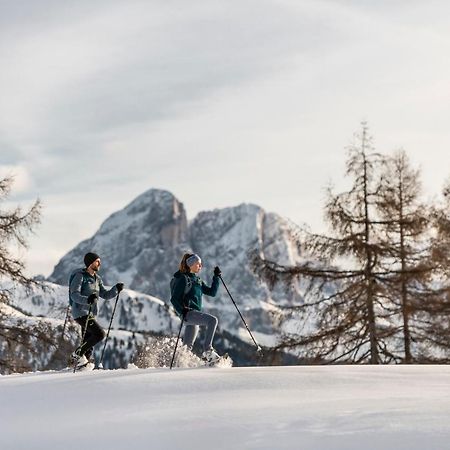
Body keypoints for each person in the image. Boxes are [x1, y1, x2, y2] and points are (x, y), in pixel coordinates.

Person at [69, 252, 124, 369]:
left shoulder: (97, 279)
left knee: (88, 340)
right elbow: (74, 294)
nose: (100, 263)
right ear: (90, 263)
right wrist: (87, 300)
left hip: (91, 313)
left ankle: (83, 365)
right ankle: (78, 354)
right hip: (81, 312)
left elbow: (105, 294)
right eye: (97, 261)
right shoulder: (80, 276)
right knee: (99, 334)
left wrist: (115, 289)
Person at [170, 253, 222, 363]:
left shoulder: (197, 280)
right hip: (188, 313)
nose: (200, 266)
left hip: (194, 314)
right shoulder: (183, 279)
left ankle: (180, 364)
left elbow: (212, 292)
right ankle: (208, 351)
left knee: (186, 348)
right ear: (191, 264)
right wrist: (181, 310)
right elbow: (174, 299)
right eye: (198, 264)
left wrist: (216, 277)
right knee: (212, 320)